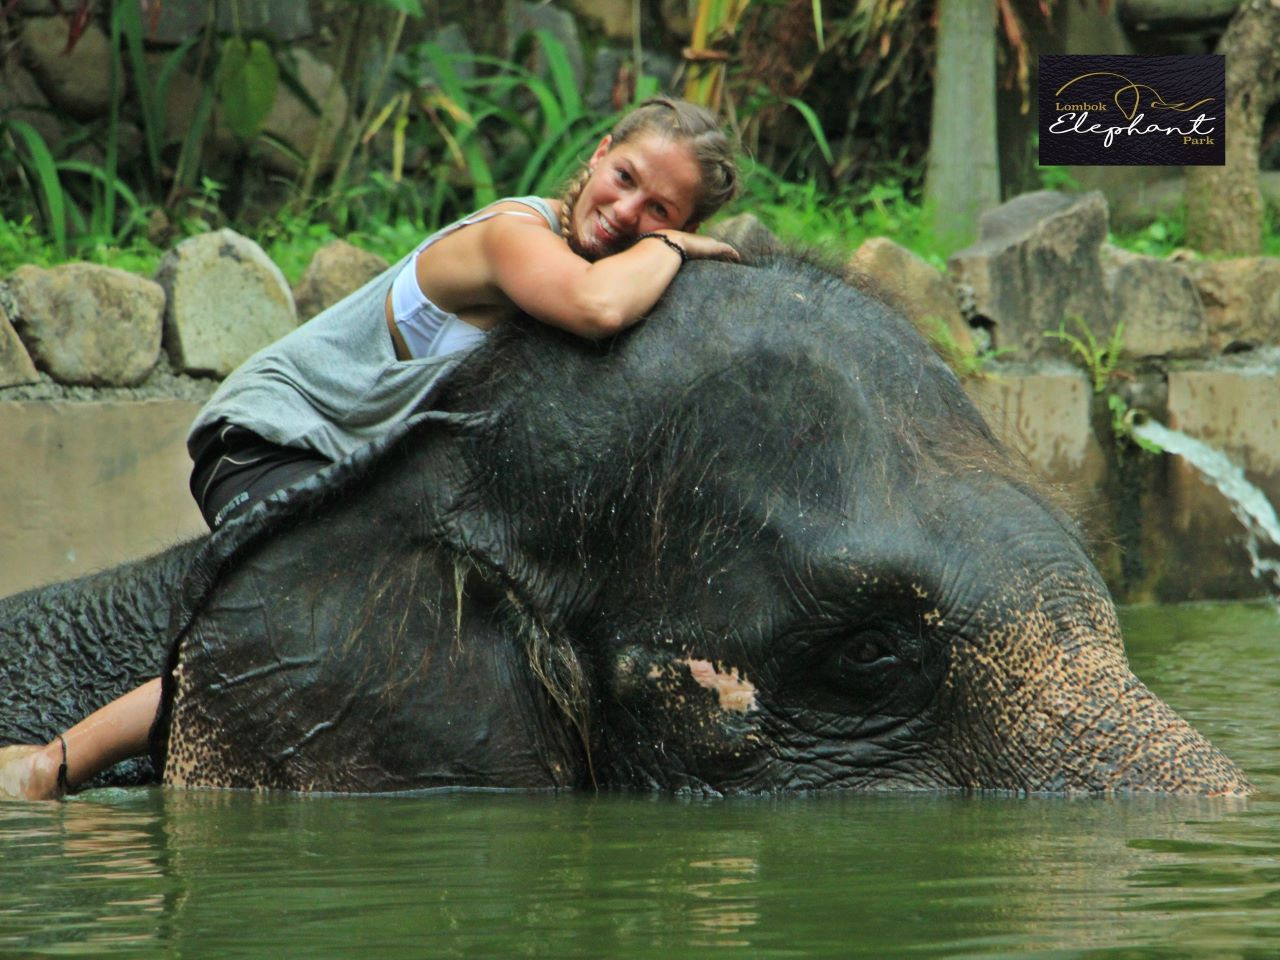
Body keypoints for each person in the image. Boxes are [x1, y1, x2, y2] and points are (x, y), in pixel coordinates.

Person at [0, 96, 741, 800]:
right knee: (307, 634)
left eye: (659, 210)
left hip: (358, 468)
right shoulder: (513, 236)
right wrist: (675, 244)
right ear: (601, 153)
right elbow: (594, 305)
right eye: (625, 179)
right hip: (272, 436)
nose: (626, 212)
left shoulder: (601, 262)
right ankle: (49, 767)